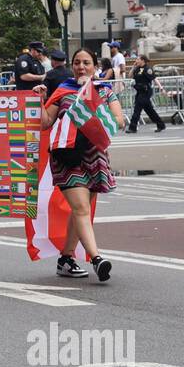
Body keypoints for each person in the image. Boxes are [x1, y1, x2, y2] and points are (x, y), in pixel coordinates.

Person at [40, 49, 125, 282]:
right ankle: (97, 258)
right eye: (77, 62)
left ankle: (65, 258)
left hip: (94, 156)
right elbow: (45, 122)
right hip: (66, 155)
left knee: (81, 211)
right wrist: (39, 99)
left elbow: (118, 121)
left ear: (95, 67)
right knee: (81, 209)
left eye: (86, 63)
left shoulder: (104, 91)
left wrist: (96, 114)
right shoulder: (63, 89)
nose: (81, 67)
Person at [125, 54, 167, 133]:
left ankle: (132, 127)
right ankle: (161, 124)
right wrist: (133, 67)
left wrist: (161, 88)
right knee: (149, 110)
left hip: (146, 91)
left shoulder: (147, 69)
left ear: (142, 60)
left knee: (137, 109)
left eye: (138, 59)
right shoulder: (137, 68)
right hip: (139, 91)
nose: (136, 61)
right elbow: (130, 76)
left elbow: (154, 79)